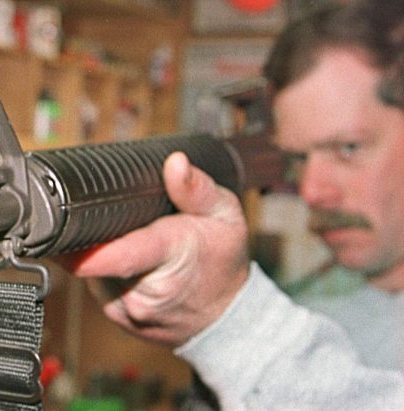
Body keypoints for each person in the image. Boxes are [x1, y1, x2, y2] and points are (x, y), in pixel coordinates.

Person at [61, 0, 404, 409]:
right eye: (298, 159)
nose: (311, 191)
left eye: (348, 148)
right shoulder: (311, 300)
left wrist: (230, 323)